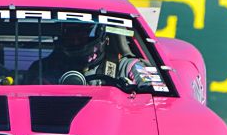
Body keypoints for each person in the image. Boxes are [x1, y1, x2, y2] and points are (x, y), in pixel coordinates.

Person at [23, 23, 153, 88]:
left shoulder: (127, 66)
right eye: (70, 33)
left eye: (82, 32)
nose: (76, 40)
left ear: (98, 35)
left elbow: (153, 91)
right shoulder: (41, 69)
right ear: (61, 37)